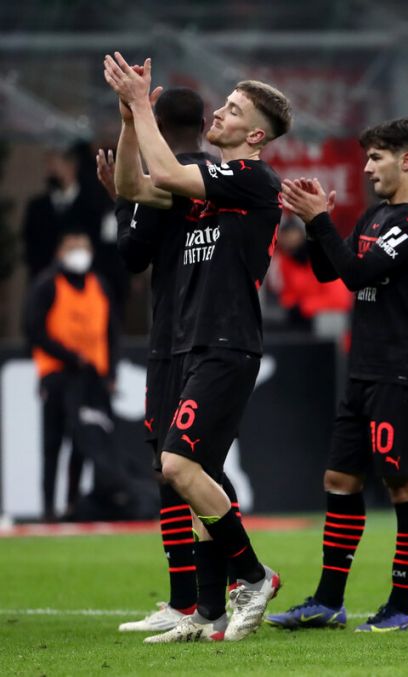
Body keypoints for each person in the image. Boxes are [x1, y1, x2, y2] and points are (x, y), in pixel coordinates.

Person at [104, 53, 291, 642]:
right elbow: (134, 186)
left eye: (234, 110)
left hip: (226, 342)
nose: (221, 112)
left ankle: (254, 577)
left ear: (254, 134)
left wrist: (142, 106)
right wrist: (132, 121)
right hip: (191, 342)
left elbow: (170, 173)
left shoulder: (252, 179)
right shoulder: (203, 184)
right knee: (192, 472)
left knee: (180, 466)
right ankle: (206, 610)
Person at [267, 118, 408, 633]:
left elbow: (358, 273)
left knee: (403, 485)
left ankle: (401, 607)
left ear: (406, 160)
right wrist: (311, 224)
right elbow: (331, 271)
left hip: (403, 372)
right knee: (339, 479)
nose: (367, 168)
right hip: (365, 370)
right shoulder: (376, 215)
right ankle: (328, 601)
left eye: (376, 158)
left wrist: (321, 220)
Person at [95, 87, 246, 637]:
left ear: (155, 121)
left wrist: (120, 198)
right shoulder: (214, 177)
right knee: (188, 466)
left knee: (177, 467)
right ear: (204, 122)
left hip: (176, 336)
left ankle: (223, 585)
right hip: (204, 333)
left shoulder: (171, 180)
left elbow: (133, 254)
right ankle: (200, 596)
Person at [24, 230, 118, 521]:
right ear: (60, 253)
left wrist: (110, 372)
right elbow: (33, 328)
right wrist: (69, 356)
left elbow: (113, 332)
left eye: (84, 247)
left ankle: (73, 506)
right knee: (53, 442)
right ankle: (49, 509)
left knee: (85, 443)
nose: (80, 254)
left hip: (92, 378)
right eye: (73, 248)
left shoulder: (98, 285)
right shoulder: (47, 284)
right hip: (58, 374)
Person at [22, 147, 105, 279]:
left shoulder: (92, 206)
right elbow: (30, 248)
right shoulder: (37, 208)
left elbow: (100, 248)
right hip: (45, 282)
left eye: (53, 163)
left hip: (82, 282)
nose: (49, 170)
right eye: (47, 163)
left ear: (71, 165)